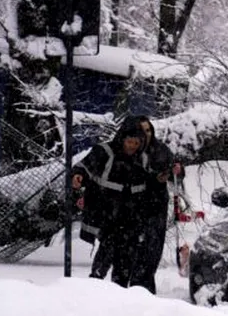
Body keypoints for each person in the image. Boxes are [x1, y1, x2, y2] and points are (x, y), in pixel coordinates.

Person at [71, 118, 151, 289]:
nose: (132, 146)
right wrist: (78, 176)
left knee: (127, 254)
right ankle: (96, 284)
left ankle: (120, 289)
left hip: (131, 216)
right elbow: (84, 167)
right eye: (130, 141)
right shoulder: (104, 152)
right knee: (108, 247)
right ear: (122, 139)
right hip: (107, 211)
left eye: (136, 143)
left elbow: (149, 184)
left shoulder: (143, 158)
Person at [134, 116, 178, 294]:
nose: (146, 134)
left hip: (157, 205)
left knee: (153, 250)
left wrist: (175, 171)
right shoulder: (130, 150)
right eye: (142, 131)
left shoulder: (161, 150)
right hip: (135, 207)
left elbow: (176, 168)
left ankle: (146, 288)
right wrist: (153, 178)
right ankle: (138, 288)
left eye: (149, 130)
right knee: (136, 251)